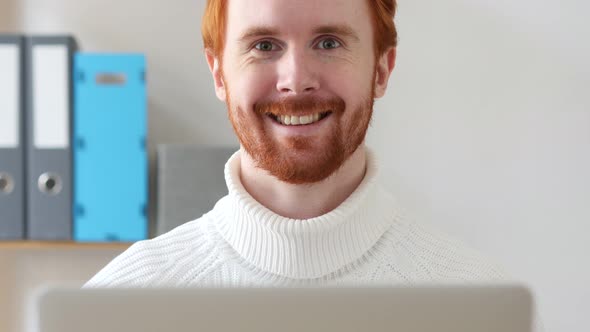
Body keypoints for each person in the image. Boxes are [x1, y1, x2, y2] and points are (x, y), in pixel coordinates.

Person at [86, 0, 507, 287]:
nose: (296, 79)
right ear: (219, 74)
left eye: (329, 43)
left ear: (381, 69)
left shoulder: (481, 300)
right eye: (264, 46)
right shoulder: (121, 301)